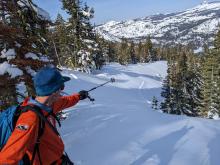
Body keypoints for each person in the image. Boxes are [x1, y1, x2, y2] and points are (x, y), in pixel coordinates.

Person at [0, 67, 89, 164]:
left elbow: (66, 101)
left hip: (59, 159)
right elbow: (7, 158)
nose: (62, 90)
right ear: (54, 90)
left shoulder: (49, 105)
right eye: (61, 87)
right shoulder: (30, 119)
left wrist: (79, 96)